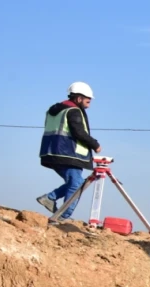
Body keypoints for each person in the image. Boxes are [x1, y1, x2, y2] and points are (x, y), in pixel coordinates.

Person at [37, 82, 100, 224]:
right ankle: (63, 215)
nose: (90, 102)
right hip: (67, 153)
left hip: (51, 151)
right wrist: (95, 145)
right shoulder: (73, 111)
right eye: (87, 99)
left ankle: (50, 198)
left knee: (75, 182)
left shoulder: (55, 110)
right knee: (77, 184)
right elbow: (79, 132)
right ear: (78, 98)